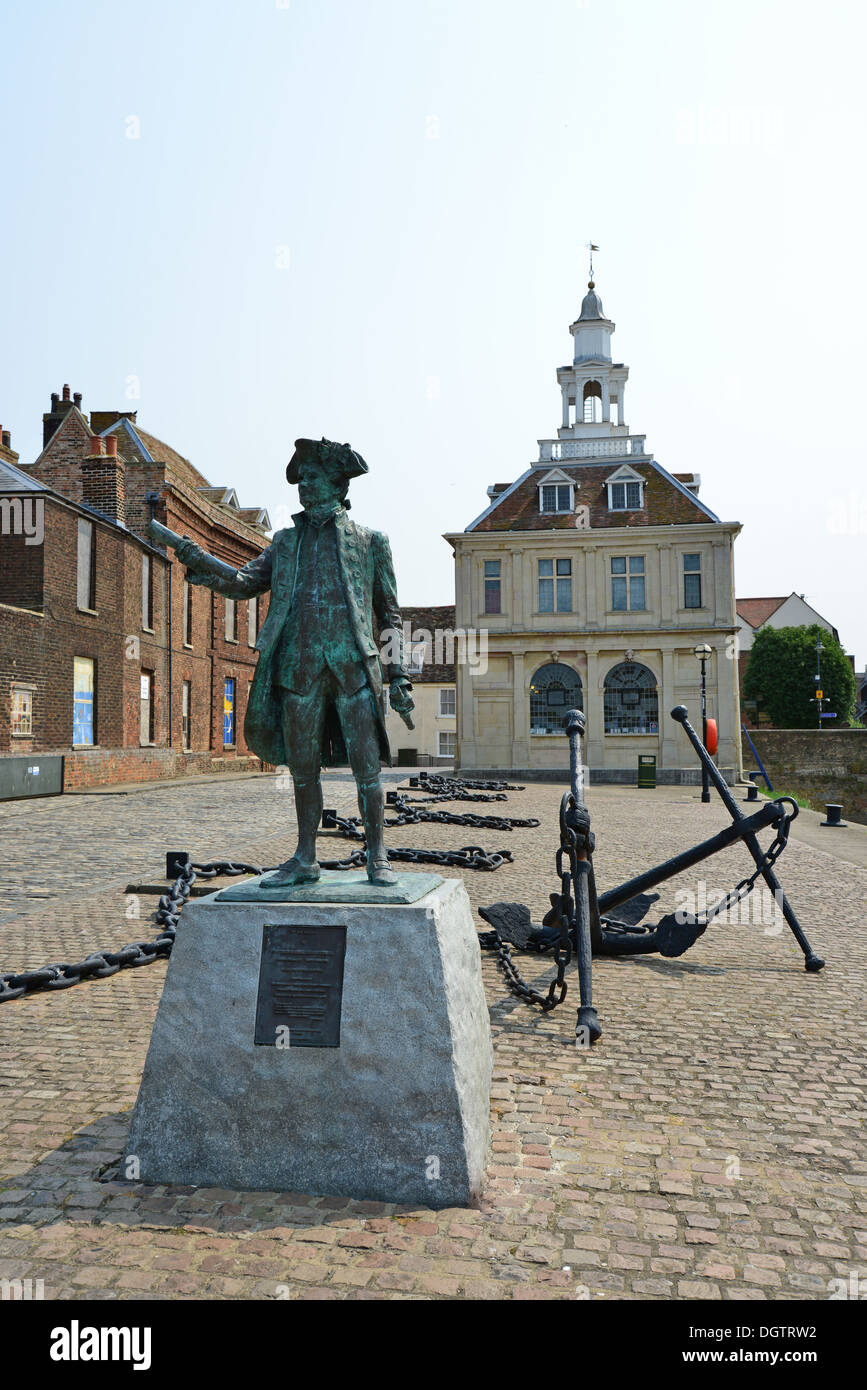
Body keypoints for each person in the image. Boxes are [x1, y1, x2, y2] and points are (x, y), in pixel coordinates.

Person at [173, 437, 414, 887]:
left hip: (354, 670)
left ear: (337, 484)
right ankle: (305, 856)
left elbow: (390, 615)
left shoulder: (370, 542)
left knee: (368, 771)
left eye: (312, 477)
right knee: (302, 771)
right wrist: (200, 561)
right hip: (297, 669)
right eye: (301, 479)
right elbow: (245, 582)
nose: (304, 485)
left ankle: (377, 855)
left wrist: (398, 674)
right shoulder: (285, 543)